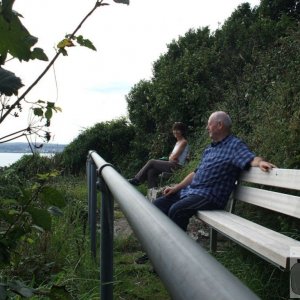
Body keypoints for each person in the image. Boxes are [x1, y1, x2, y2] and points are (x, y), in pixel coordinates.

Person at [135, 111, 275, 264]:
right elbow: (195, 173)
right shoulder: (210, 149)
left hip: (210, 196)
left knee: (177, 209)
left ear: (219, 125)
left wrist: (260, 162)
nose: (207, 128)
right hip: (192, 192)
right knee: (157, 206)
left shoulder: (234, 145)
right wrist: (177, 188)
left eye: (209, 124)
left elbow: (251, 158)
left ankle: (171, 260)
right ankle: (156, 250)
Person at [128, 122, 189, 188]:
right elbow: (171, 157)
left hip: (177, 166)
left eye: (178, 130)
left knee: (152, 161)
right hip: (172, 164)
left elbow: (174, 156)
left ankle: (137, 179)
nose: (175, 132)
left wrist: (171, 157)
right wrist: (171, 157)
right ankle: (152, 191)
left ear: (182, 131)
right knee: (151, 171)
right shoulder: (178, 142)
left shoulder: (183, 142)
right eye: (174, 130)